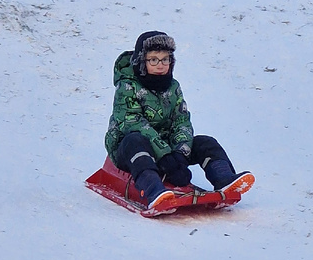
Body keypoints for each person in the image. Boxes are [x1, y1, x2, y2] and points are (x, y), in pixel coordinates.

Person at [105, 30, 252, 210]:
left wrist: (180, 155)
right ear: (141, 62)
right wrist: (165, 155)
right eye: (153, 60)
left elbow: (181, 121)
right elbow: (132, 122)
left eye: (165, 59)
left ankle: (223, 179)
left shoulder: (173, 87)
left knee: (206, 143)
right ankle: (153, 190)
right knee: (135, 140)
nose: (160, 65)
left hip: (167, 148)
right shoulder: (127, 86)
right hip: (129, 149)